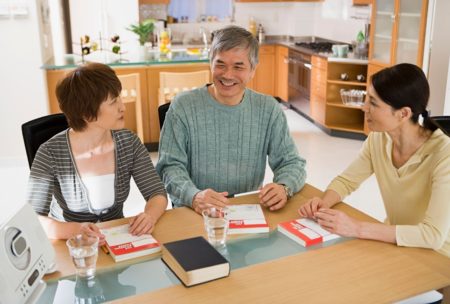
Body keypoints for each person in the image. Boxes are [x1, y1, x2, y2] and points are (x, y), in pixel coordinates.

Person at [299, 63, 450, 257]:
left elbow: (433, 235)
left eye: (373, 103)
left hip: (438, 255)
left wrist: (357, 227)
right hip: (395, 242)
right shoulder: (379, 139)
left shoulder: (444, 154)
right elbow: (347, 181)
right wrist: (323, 204)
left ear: (403, 113)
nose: (364, 108)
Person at [156, 25, 306, 214]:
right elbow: (169, 167)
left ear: (253, 70)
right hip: (194, 209)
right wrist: (193, 196)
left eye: (238, 66)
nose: (227, 75)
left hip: (246, 211)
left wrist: (284, 187)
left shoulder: (269, 109)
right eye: (220, 64)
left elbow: (291, 163)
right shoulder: (183, 106)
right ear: (210, 63)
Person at [27, 63, 168, 244]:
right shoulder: (49, 153)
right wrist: (76, 230)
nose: (123, 107)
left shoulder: (129, 142)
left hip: (117, 242)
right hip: (73, 248)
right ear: (87, 114)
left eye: (119, 98)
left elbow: (157, 192)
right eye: (113, 102)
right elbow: (33, 219)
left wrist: (149, 216)